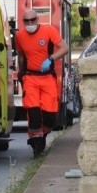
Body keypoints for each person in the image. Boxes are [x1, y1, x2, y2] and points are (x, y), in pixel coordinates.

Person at [15, 9, 69, 157]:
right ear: (23, 22)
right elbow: (21, 55)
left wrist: (51, 59)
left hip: (47, 77)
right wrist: (21, 73)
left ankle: (43, 134)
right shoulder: (19, 36)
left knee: (50, 114)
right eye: (27, 21)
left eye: (33, 20)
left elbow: (65, 48)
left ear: (37, 19)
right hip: (30, 77)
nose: (30, 23)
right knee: (33, 113)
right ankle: (36, 141)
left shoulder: (49, 30)